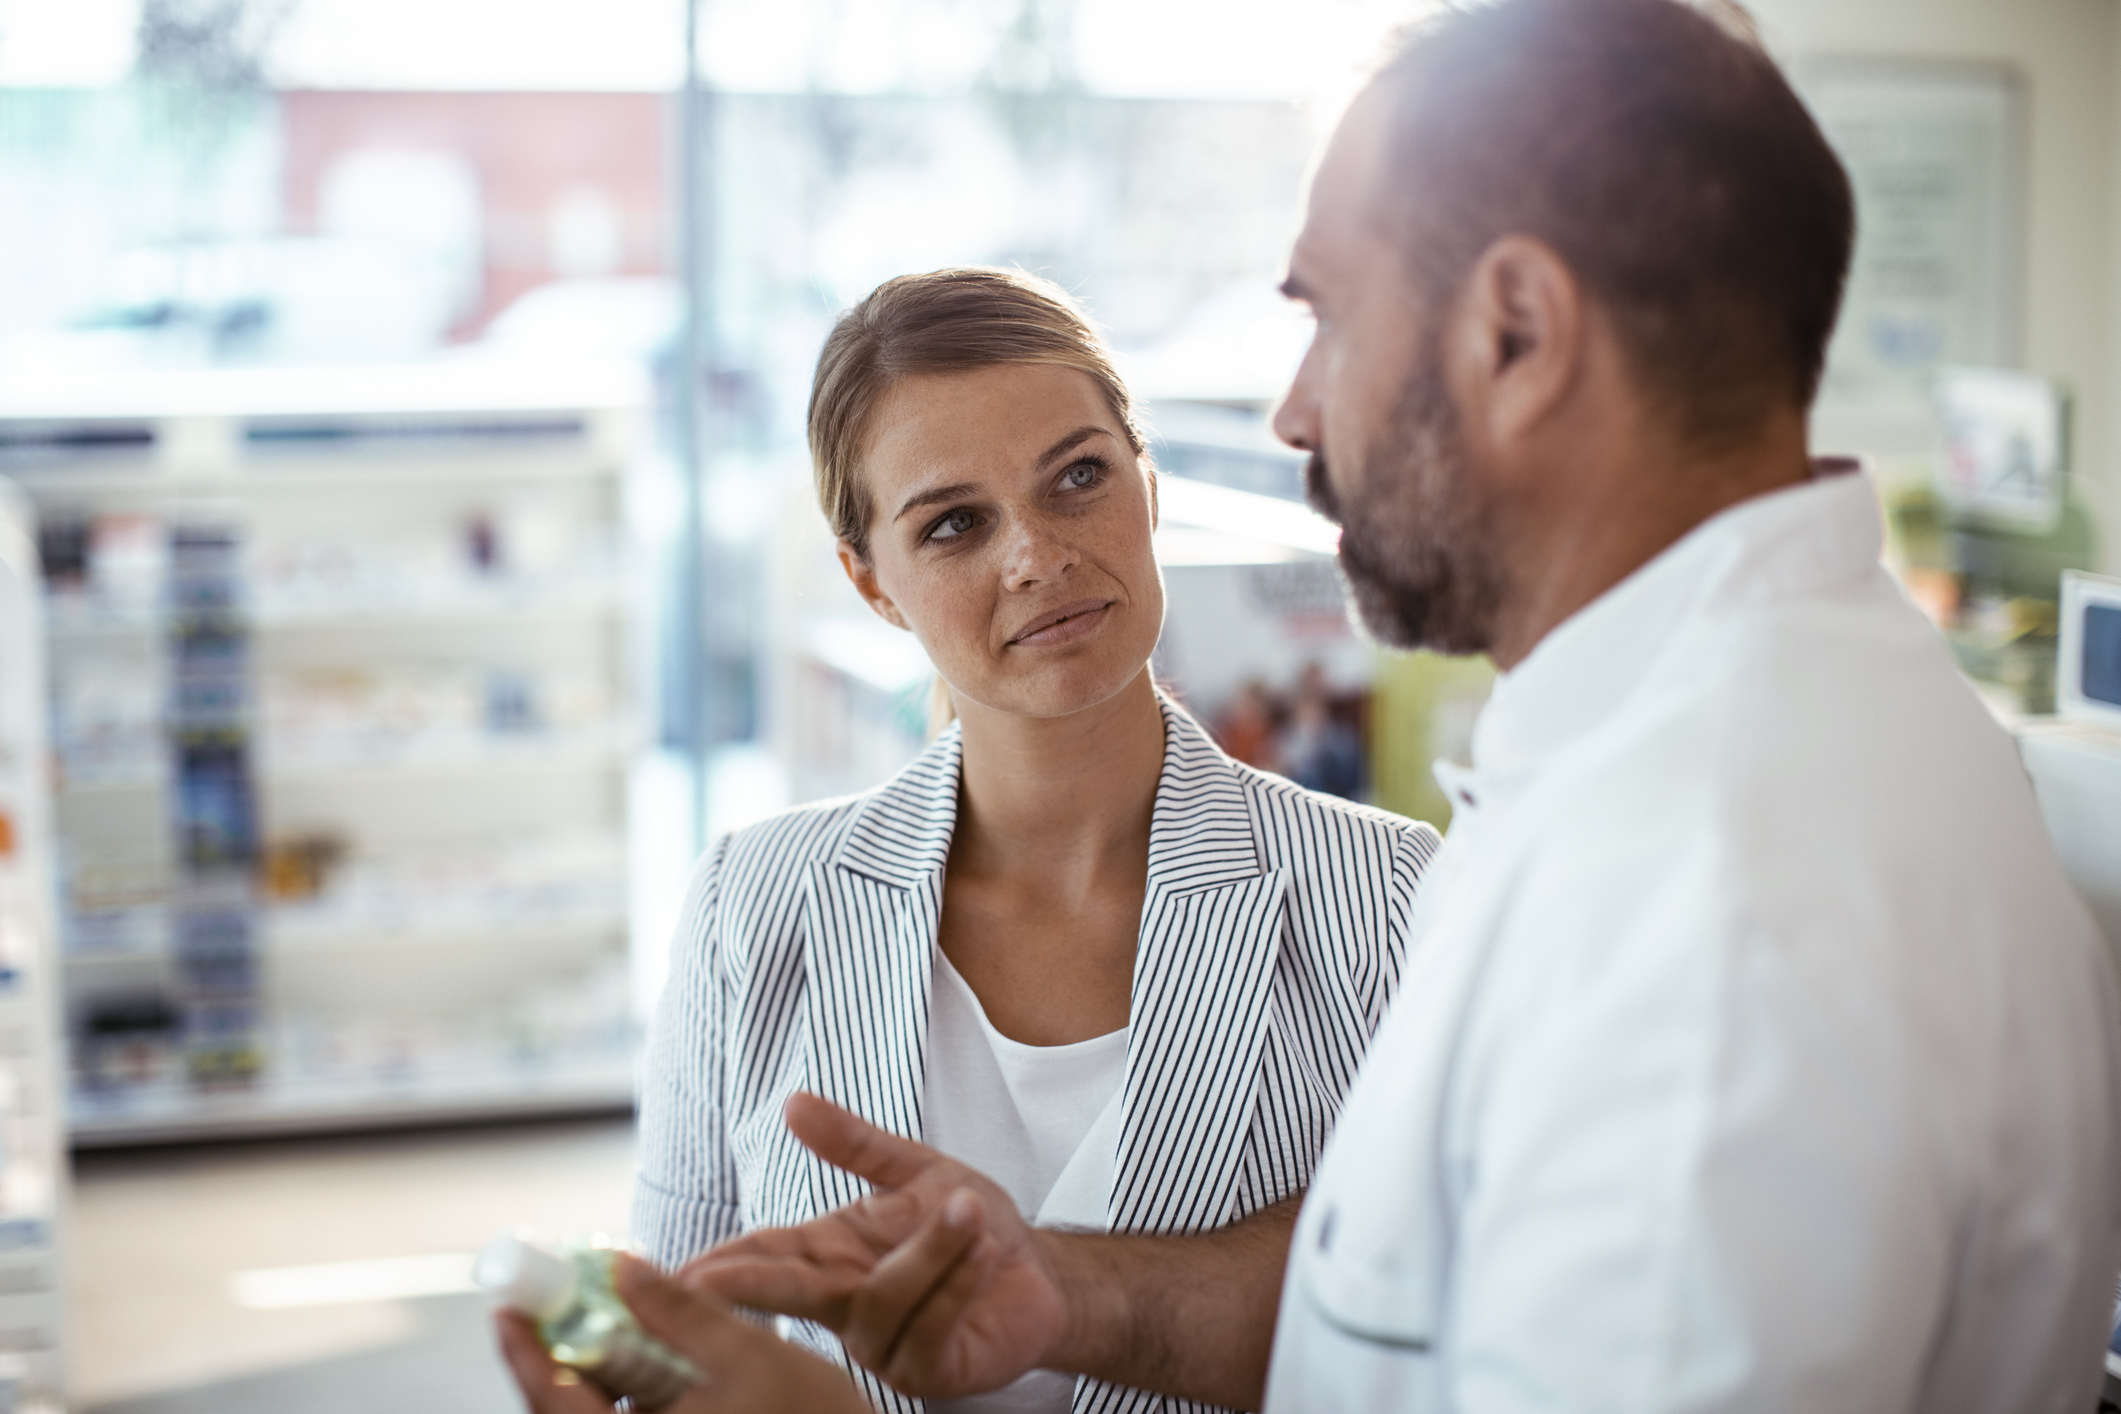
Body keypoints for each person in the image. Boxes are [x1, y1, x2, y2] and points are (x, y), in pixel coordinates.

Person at [502, 1, 2121, 1410]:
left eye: (1327, 313)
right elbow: (1418, 1294)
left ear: (1514, 329)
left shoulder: (1716, 897)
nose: (1291, 411)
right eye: (949, 522)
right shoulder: (1767, 743)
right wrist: (1075, 1296)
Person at [496, 266, 1440, 1414]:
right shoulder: (758, 904)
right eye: (953, 524)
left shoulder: (1390, 895)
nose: (1036, 556)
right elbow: (691, 1330)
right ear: (871, 582)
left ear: (1148, 483)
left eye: (1080, 477)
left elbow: (1450, 1335)